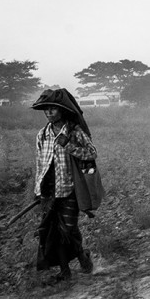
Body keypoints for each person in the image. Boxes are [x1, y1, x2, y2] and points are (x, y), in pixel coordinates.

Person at [31, 88, 96, 282]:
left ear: (62, 110)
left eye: (53, 109)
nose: (49, 112)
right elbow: (40, 164)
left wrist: (68, 145)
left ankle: (82, 256)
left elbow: (91, 153)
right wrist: (37, 189)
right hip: (48, 191)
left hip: (69, 189)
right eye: (46, 109)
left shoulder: (74, 132)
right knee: (53, 232)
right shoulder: (42, 135)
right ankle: (64, 270)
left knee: (68, 229)